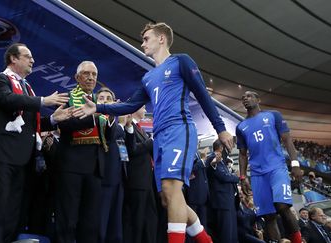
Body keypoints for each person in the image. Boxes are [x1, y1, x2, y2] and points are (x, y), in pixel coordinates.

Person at [74, 22, 233, 243]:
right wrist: (98, 107)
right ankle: (206, 240)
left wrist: (221, 129)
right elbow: (129, 105)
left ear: (161, 39)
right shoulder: (148, 78)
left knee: (172, 189)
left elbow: (203, 96)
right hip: (159, 138)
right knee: (168, 199)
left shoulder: (181, 61)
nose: (142, 43)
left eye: (146, 38)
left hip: (180, 129)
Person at [0, 43, 70, 242]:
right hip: (3, 155)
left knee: (15, 212)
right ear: (13, 59)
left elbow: (30, 123)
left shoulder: (27, 88)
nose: (32, 60)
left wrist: (54, 119)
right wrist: (43, 101)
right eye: (27, 56)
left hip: (24, 158)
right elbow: (7, 100)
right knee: (0, 208)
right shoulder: (0, 80)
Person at [54, 61, 114, 243]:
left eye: (94, 74)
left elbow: (108, 138)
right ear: (77, 77)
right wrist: (92, 116)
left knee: (91, 222)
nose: (91, 77)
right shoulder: (67, 98)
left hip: (95, 168)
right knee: (68, 219)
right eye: (86, 73)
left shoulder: (99, 102)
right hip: (71, 166)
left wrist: (110, 119)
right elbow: (63, 126)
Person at [236, 91, 302, 243]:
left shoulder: (273, 115)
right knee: (268, 216)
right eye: (243, 97)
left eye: (249, 96)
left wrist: (295, 164)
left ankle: (297, 240)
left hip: (276, 168)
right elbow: (242, 154)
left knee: (282, 206)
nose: (245, 98)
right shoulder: (241, 127)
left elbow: (287, 140)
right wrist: (242, 176)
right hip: (258, 174)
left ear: (258, 99)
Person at [123, 105, 158, 243]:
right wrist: (150, 142)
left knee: (150, 218)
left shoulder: (142, 130)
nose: (145, 110)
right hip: (136, 181)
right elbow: (131, 150)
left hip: (147, 181)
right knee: (136, 220)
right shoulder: (129, 127)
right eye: (142, 107)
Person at [97, 87, 125, 243]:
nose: (105, 100)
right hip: (103, 177)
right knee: (101, 223)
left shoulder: (116, 122)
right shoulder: (95, 118)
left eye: (109, 98)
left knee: (115, 227)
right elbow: (110, 135)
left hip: (119, 178)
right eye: (101, 98)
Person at [206, 139, 239, 243]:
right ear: (222, 147)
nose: (230, 148)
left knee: (231, 232)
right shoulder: (214, 157)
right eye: (229, 146)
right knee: (226, 233)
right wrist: (237, 177)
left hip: (227, 201)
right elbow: (223, 177)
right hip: (222, 202)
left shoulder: (223, 161)